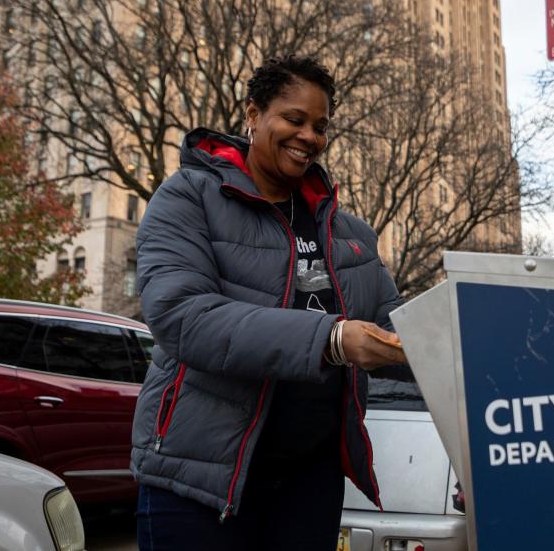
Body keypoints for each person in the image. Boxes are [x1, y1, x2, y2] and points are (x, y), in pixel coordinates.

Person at [130, 55, 408, 550]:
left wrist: (468, 332)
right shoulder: (186, 200)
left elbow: (399, 330)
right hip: (203, 483)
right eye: (294, 119)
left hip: (309, 483)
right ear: (254, 114)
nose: (309, 136)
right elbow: (183, 318)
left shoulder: (351, 234)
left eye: (320, 126)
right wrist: (332, 338)